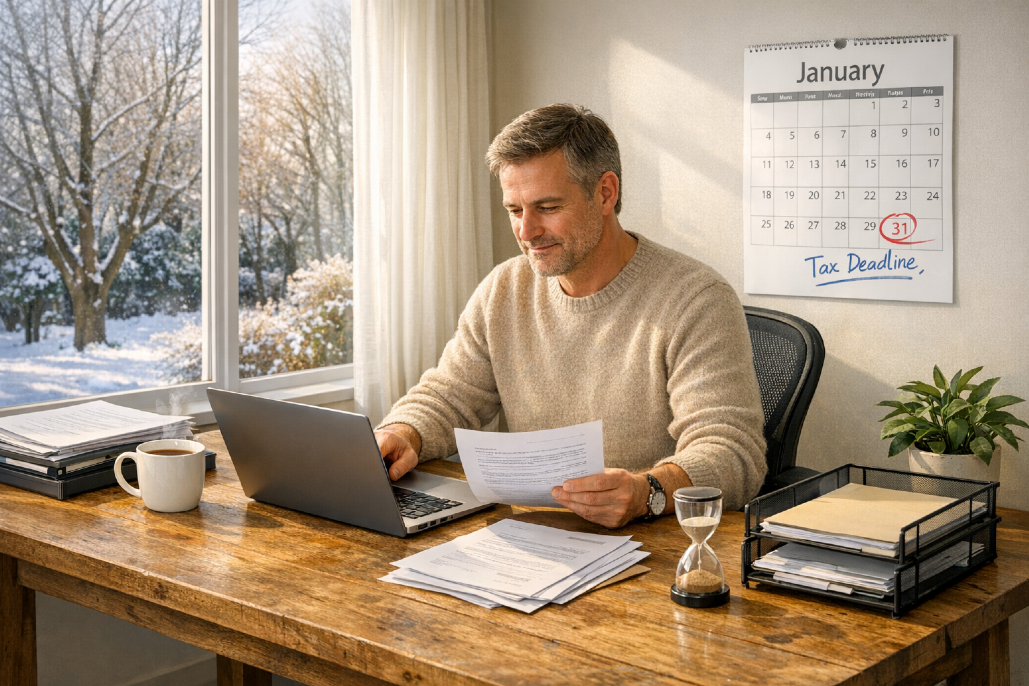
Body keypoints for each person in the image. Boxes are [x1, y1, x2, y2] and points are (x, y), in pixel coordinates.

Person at [374, 104, 767, 527]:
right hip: (532, 538)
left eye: (547, 207)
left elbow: (731, 451)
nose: (526, 232)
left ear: (605, 193)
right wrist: (403, 432)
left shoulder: (695, 299)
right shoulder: (504, 290)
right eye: (514, 210)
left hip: (651, 545)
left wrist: (646, 492)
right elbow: (449, 395)